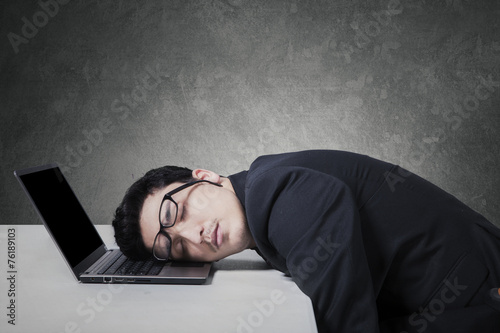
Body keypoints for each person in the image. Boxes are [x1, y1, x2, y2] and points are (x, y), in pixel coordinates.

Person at [112, 150, 500, 332]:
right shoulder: (258, 187)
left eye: (175, 213)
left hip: (479, 292)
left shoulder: (277, 194)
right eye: (173, 246)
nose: (191, 234)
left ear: (206, 176)